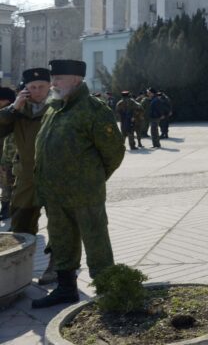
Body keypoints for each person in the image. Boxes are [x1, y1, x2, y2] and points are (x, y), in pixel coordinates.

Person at [31, 59, 125, 309]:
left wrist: (92, 178)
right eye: (53, 78)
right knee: (61, 240)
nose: (53, 83)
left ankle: (107, 291)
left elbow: (114, 152)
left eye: (59, 78)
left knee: (96, 242)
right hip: (55, 194)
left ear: (76, 79)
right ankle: (66, 288)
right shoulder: (54, 108)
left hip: (85, 194)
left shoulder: (94, 109)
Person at [0, 69, 58, 284]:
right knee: (20, 222)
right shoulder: (18, 111)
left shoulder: (59, 107)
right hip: (25, 176)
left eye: (41, 86)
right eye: (32, 87)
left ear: (50, 86)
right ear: (25, 89)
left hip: (55, 177)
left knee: (60, 224)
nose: (37, 91)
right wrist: (13, 108)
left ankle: (57, 266)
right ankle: (18, 267)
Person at [0, 87, 16, 220]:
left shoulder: (14, 113)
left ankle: (8, 209)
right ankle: (5, 209)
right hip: (5, 155)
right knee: (6, 182)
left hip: (13, 155)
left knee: (10, 183)